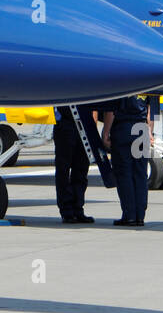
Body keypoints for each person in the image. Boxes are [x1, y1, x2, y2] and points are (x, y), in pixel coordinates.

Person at [100, 94, 151, 226]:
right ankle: (140, 216)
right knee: (140, 174)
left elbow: (111, 110)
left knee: (124, 174)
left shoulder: (123, 78)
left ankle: (129, 215)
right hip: (142, 129)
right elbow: (153, 109)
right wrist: (150, 131)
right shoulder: (149, 80)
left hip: (124, 128)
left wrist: (105, 133)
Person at [53, 106, 94, 222]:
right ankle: (66, 210)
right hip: (65, 122)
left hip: (84, 122)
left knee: (81, 167)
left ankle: (78, 208)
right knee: (63, 168)